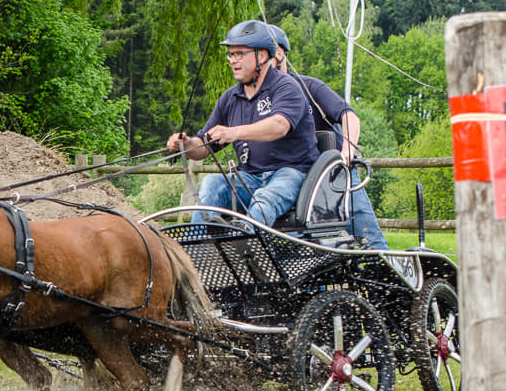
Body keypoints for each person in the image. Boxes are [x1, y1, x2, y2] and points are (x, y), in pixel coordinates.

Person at [166, 20, 319, 227]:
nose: (233, 60)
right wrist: (185, 144)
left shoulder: (286, 87)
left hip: (291, 173)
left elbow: (279, 125)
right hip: (249, 177)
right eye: (231, 54)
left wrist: (234, 133)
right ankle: (196, 248)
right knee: (211, 183)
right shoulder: (230, 98)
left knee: (264, 199)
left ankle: (247, 245)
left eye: (240, 54)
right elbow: (204, 145)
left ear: (262, 56)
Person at [267, 23, 389, 250]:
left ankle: (386, 272)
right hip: (293, 177)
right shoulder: (257, 99)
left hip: (333, 175)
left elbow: (349, 116)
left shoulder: (310, 87)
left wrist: (348, 151)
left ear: (280, 52)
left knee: (366, 233)